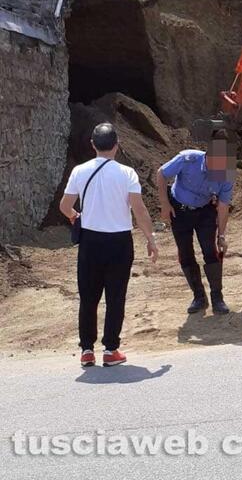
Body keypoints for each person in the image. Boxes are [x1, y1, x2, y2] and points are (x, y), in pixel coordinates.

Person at [59, 123, 158, 368]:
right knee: (116, 297)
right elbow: (139, 210)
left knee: (88, 297)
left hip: (90, 242)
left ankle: (87, 350)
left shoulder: (79, 171)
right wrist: (151, 238)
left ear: (93, 145)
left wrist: (75, 216)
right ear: (116, 145)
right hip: (119, 242)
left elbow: (64, 206)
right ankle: (111, 349)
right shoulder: (127, 174)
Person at [157, 138, 235, 315]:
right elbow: (161, 173)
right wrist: (164, 204)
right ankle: (199, 297)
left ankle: (217, 297)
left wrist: (221, 236)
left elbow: (223, 207)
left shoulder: (226, 173)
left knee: (210, 250)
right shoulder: (188, 159)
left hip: (205, 211)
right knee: (185, 252)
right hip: (179, 210)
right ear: (207, 158)